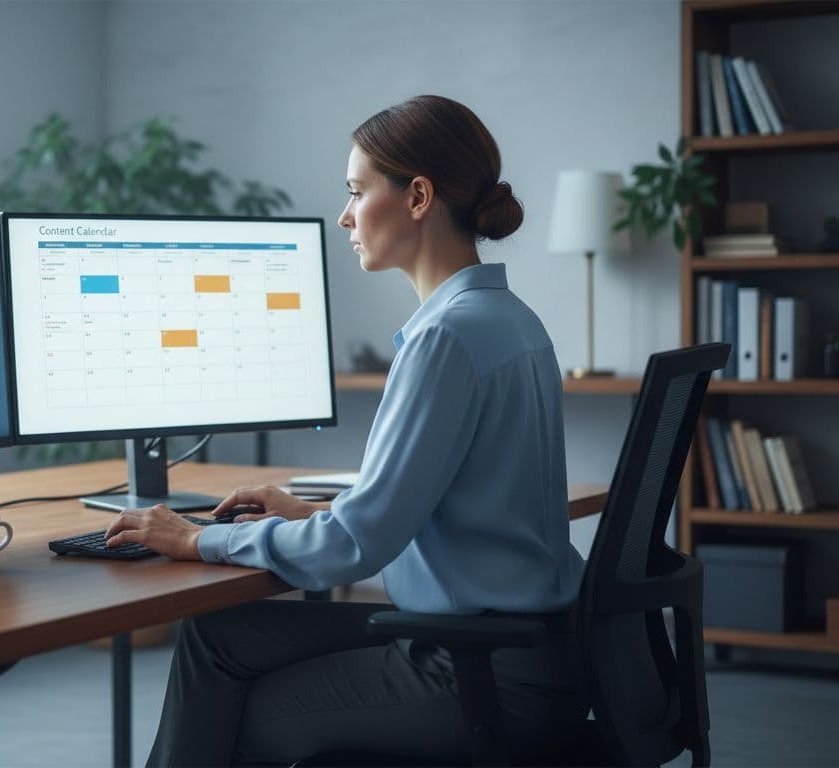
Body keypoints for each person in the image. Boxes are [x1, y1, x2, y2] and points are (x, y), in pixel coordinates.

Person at [104, 94, 590, 767]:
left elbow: (355, 548)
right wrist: (312, 514)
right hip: (526, 648)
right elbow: (439, 517)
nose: (344, 215)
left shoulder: (444, 338)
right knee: (217, 637)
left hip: (477, 672)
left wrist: (199, 538)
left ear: (418, 196)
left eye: (358, 191)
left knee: (238, 704)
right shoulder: (510, 319)